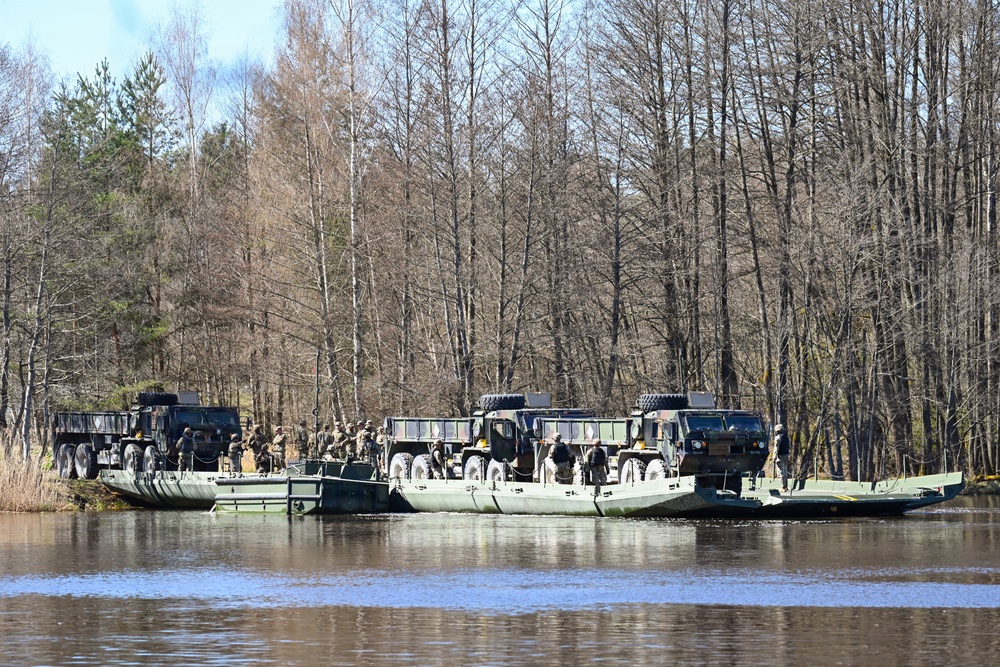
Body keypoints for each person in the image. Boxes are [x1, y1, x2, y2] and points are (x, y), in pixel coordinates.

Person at [773, 423, 790, 492]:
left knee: (781, 472)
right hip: (786, 455)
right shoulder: (786, 437)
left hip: (780, 456)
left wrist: (774, 457)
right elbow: (789, 446)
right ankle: (786, 486)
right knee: (785, 472)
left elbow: (776, 448)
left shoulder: (778, 438)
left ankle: (783, 487)